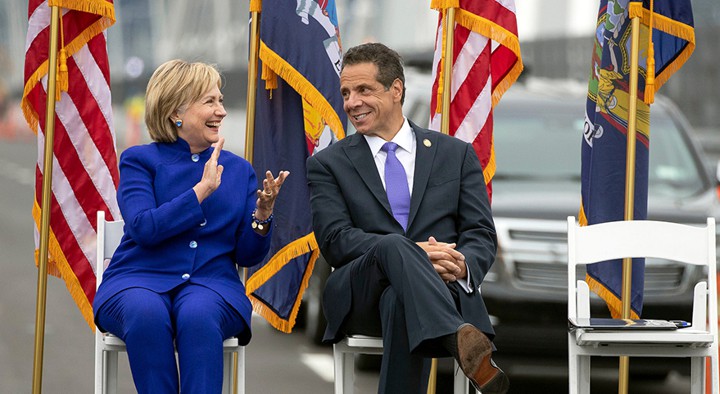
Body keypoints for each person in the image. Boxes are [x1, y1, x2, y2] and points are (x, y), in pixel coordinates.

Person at [307, 43, 509, 394]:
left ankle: (453, 334)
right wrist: (413, 254)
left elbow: (479, 233)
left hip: (437, 290)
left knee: (401, 301)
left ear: (396, 89)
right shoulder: (328, 163)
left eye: (363, 89)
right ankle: (458, 335)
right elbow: (335, 241)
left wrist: (461, 266)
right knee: (393, 247)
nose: (352, 102)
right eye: (346, 93)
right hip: (361, 293)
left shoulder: (455, 154)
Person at [92, 59, 288, 393]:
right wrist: (201, 191)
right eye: (210, 101)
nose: (222, 111)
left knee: (197, 315)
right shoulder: (139, 160)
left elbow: (247, 253)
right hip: (137, 279)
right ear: (175, 112)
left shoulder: (239, 170)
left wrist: (262, 216)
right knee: (145, 313)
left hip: (211, 286)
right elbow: (142, 228)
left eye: (221, 101)